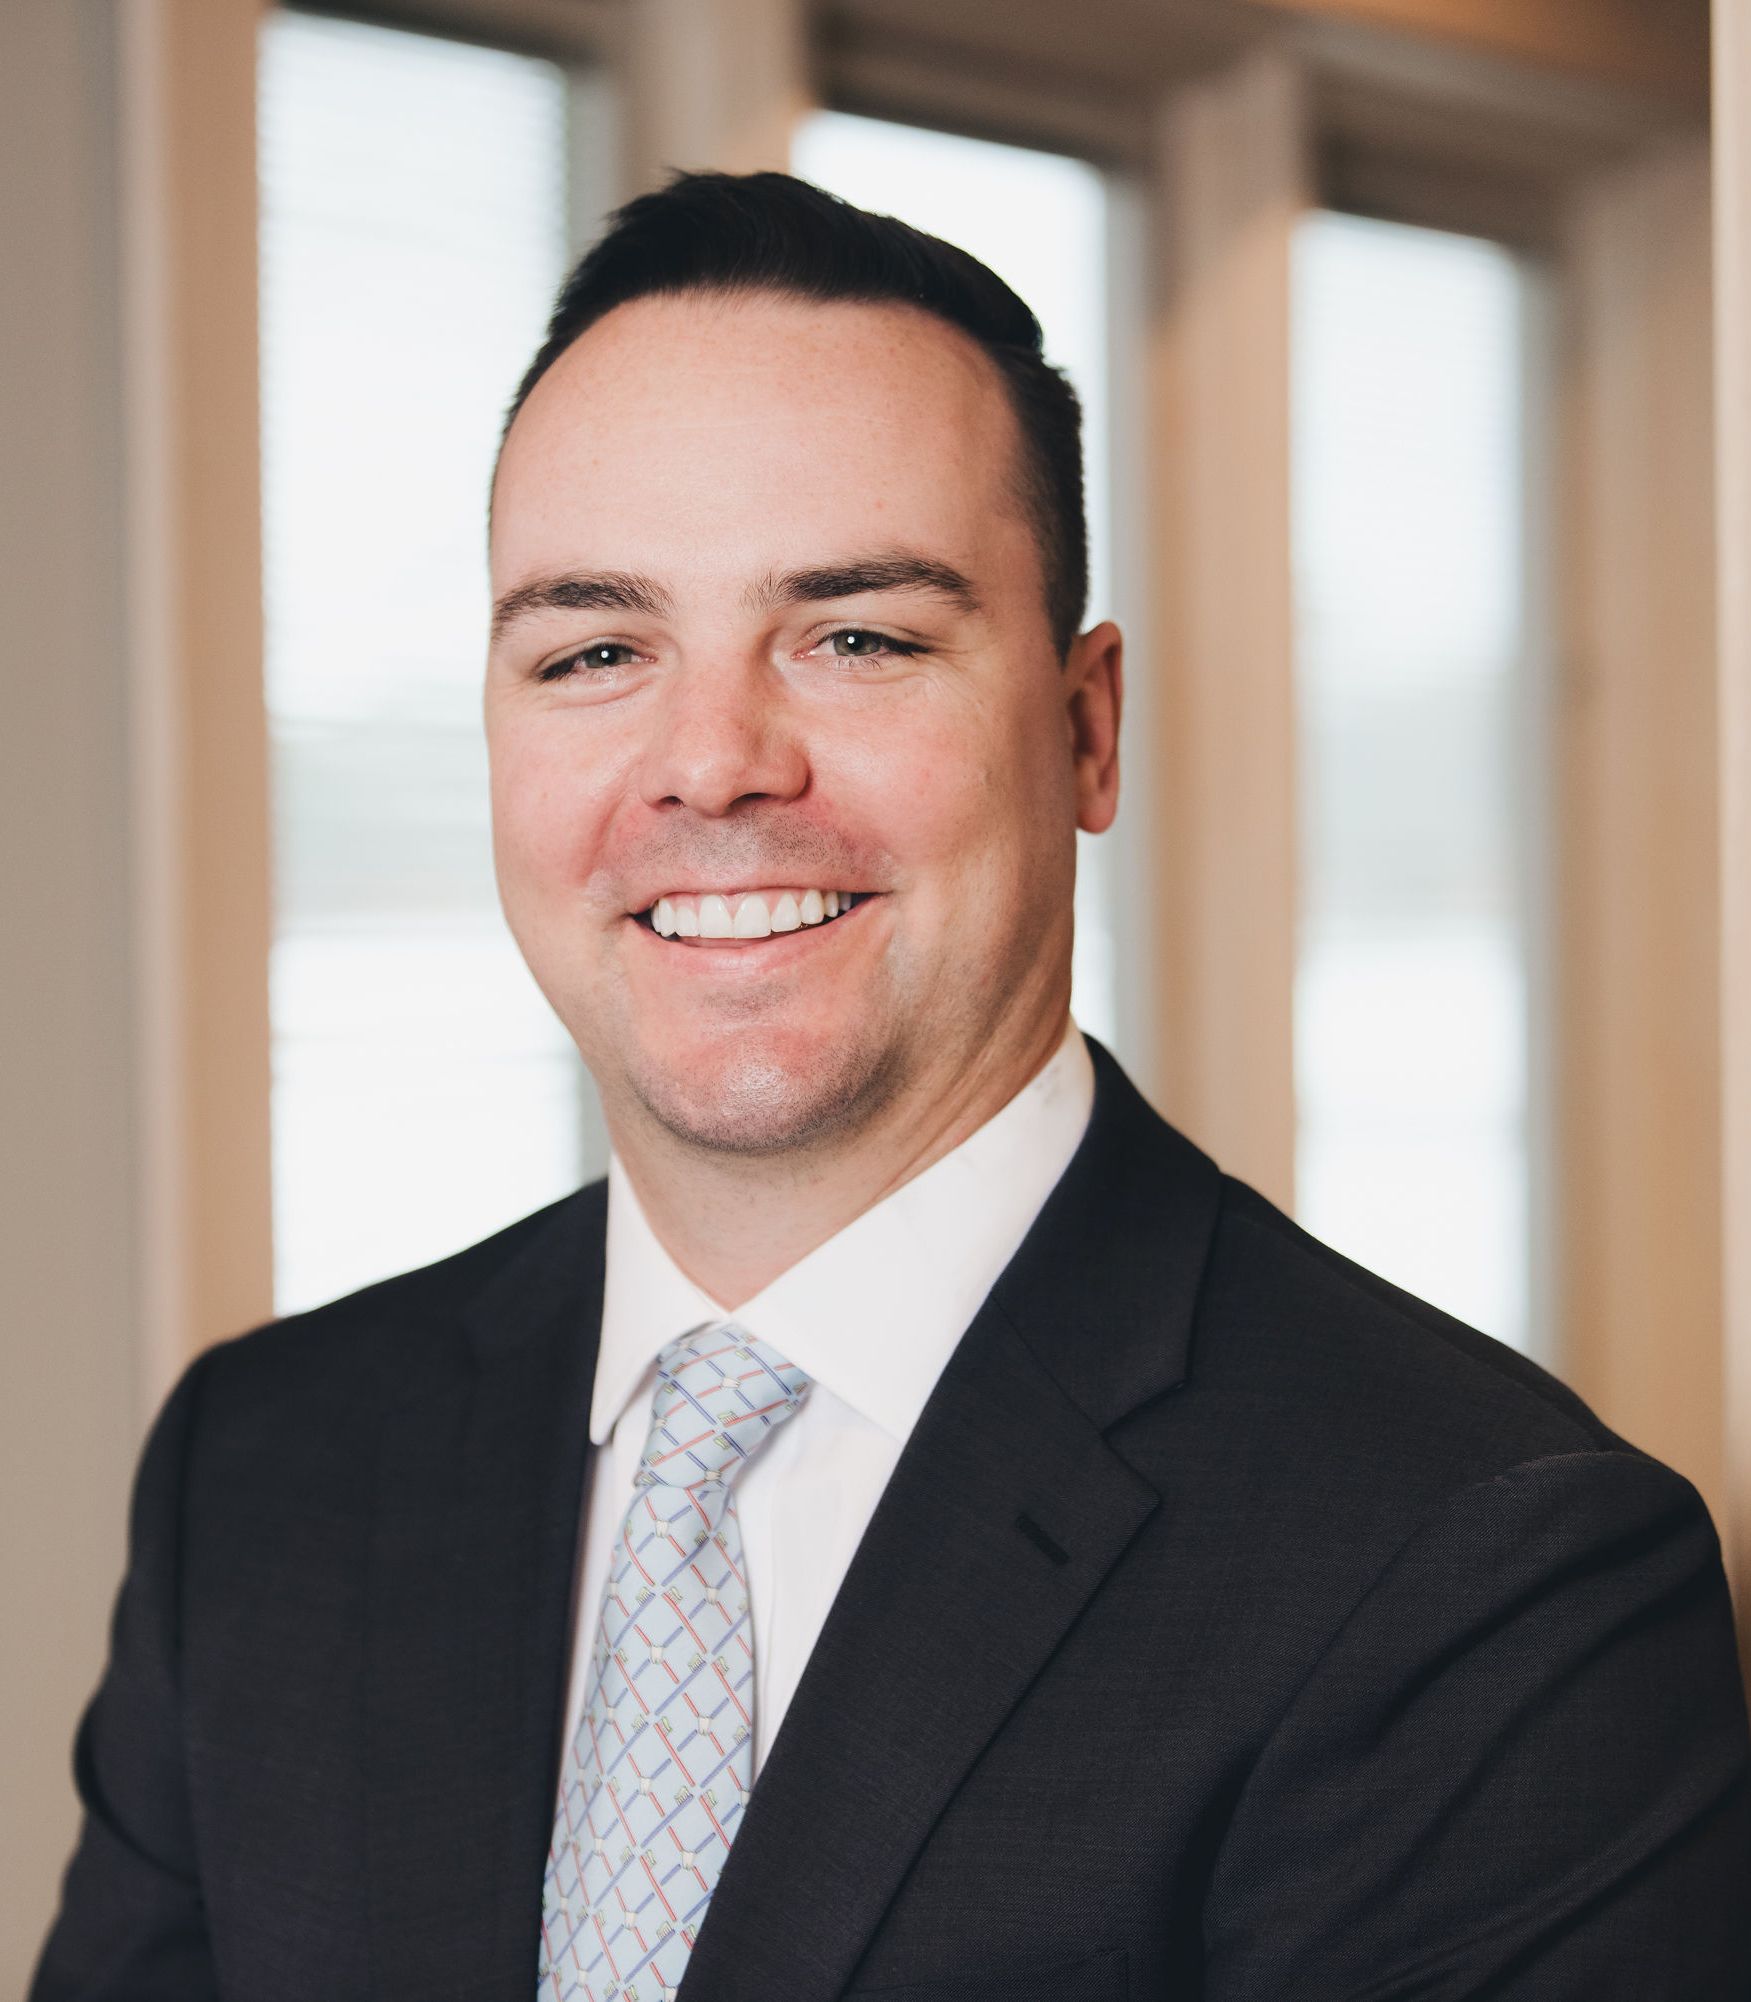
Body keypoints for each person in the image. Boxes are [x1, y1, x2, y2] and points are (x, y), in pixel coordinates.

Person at [32, 171, 1751, 2002]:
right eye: (595, 650)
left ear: (1084, 729)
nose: (710, 763)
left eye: (857, 635)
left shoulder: (1489, 1571)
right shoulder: (269, 1471)